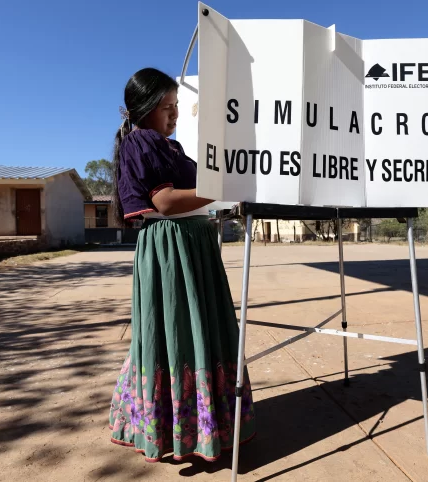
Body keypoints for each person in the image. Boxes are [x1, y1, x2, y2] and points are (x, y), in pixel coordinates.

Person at [107, 67, 256, 463]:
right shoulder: (142, 143)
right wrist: (219, 188)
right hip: (172, 251)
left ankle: (199, 429)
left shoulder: (168, 146)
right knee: (178, 333)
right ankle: (179, 432)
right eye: (165, 107)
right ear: (142, 110)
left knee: (197, 331)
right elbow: (166, 203)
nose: (173, 115)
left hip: (192, 247)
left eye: (175, 107)